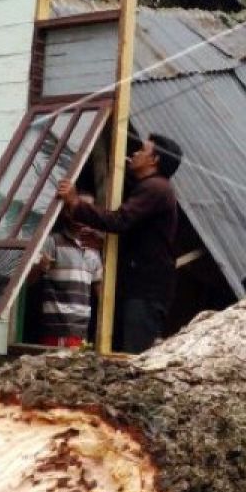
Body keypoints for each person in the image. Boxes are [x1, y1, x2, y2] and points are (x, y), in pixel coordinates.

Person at [57, 134, 181, 354]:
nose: (134, 153)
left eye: (142, 150)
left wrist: (76, 204)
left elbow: (120, 220)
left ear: (154, 160)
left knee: (136, 354)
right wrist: (103, 243)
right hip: (142, 287)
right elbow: (139, 237)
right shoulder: (155, 188)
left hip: (145, 290)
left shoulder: (155, 188)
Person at [28, 196, 103, 349]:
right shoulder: (52, 242)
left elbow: (101, 291)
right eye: (76, 208)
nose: (81, 213)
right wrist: (40, 267)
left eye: (86, 210)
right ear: (66, 212)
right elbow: (28, 281)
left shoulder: (94, 248)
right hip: (57, 330)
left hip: (82, 331)